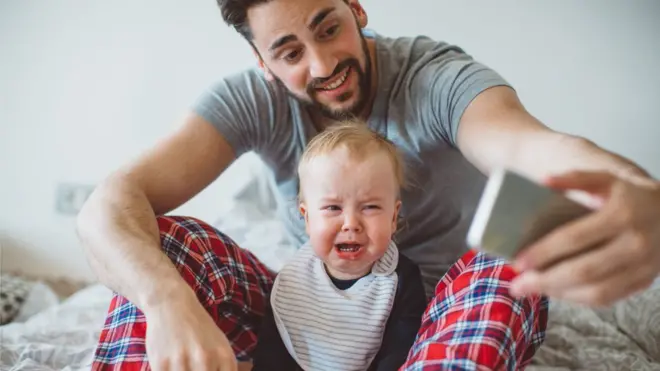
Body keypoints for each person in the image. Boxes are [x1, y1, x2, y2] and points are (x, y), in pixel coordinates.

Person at [76, 0, 660, 370]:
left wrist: (633, 190)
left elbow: (536, 149)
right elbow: (109, 205)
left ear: (356, 8)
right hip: (311, 310)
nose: (323, 63)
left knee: (509, 256)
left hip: (442, 314)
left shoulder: (436, 79)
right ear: (264, 64)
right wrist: (166, 303)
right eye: (289, 52)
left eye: (328, 27)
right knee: (165, 243)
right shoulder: (250, 102)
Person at [250, 123, 428, 371]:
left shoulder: (402, 280)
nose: (351, 224)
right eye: (333, 208)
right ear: (308, 218)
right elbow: (271, 358)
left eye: (370, 207)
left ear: (393, 217)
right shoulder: (293, 280)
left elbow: (402, 353)